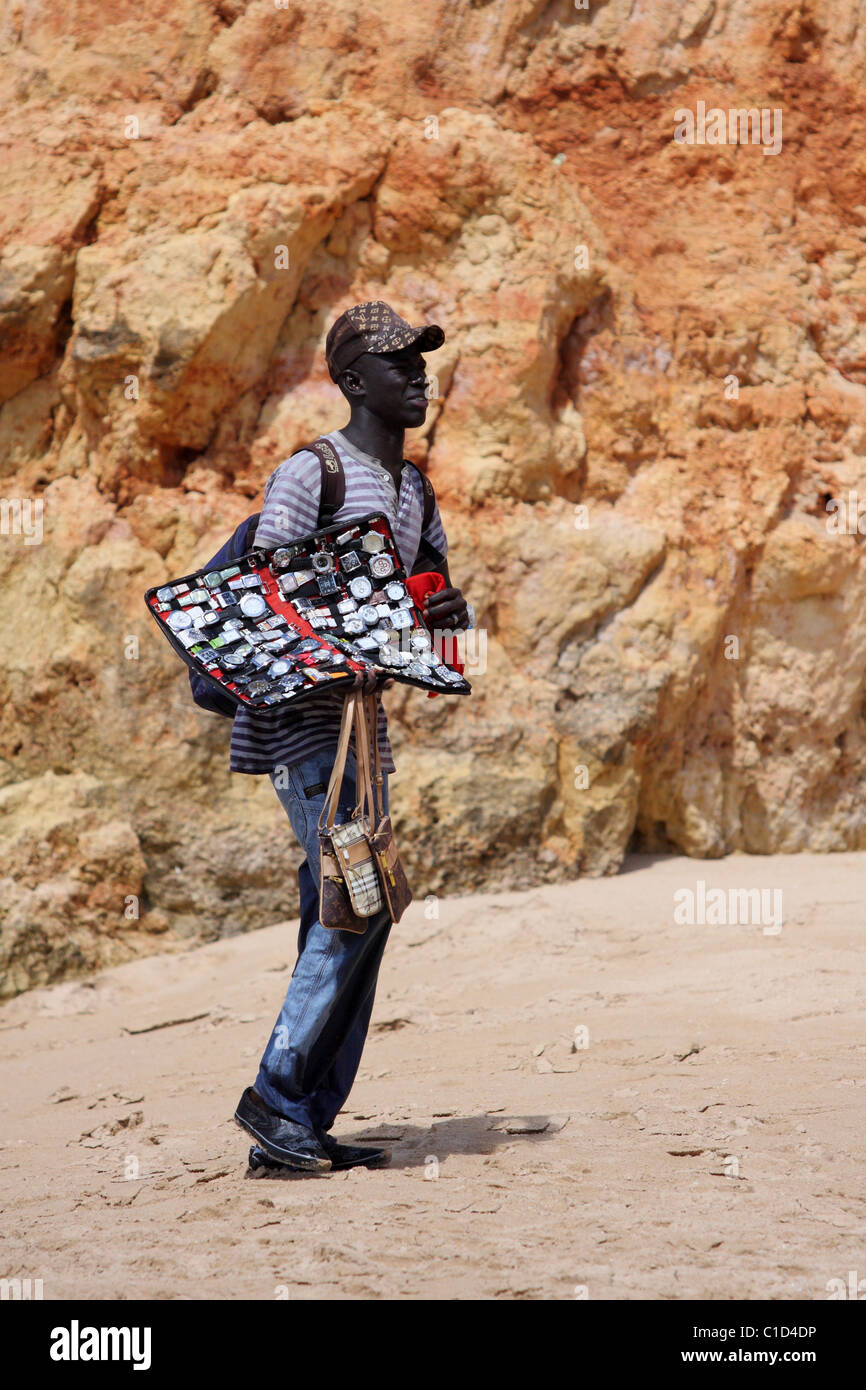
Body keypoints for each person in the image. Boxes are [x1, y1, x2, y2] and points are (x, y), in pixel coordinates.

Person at [233, 301, 471, 1172]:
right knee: (357, 906)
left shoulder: (414, 490)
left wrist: (447, 614)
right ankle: (274, 1098)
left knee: (346, 910)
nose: (417, 374)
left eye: (420, 360)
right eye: (396, 362)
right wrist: (360, 637)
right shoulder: (312, 473)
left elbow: (434, 602)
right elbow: (261, 601)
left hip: (364, 732)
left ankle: (298, 1124)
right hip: (302, 732)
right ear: (350, 381)